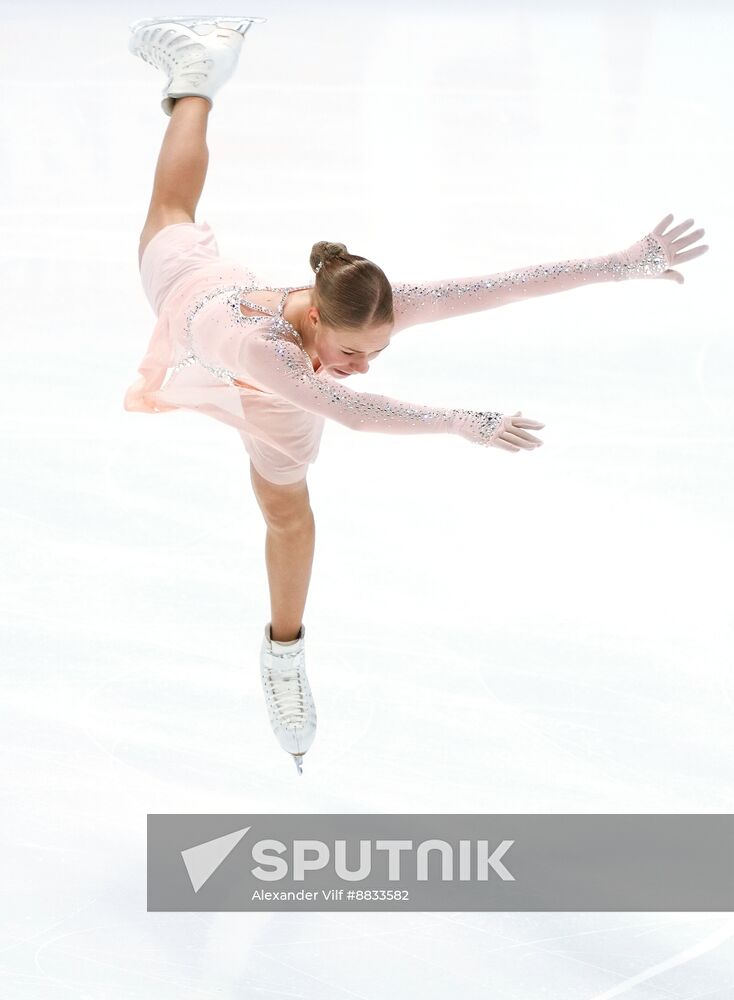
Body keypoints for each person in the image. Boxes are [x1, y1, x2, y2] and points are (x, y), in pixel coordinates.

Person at [125, 15, 709, 775]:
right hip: (205, 316)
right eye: (351, 352)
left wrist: (616, 264)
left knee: (283, 504)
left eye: (377, 351)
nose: (364, 365)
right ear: (311, 318)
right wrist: (461, 421)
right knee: (172, 228)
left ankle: (283, 652)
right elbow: (353, 411)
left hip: (244, 334)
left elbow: (490, 290)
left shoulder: (362, 302)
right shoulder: (266, 351)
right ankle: (196, 77)